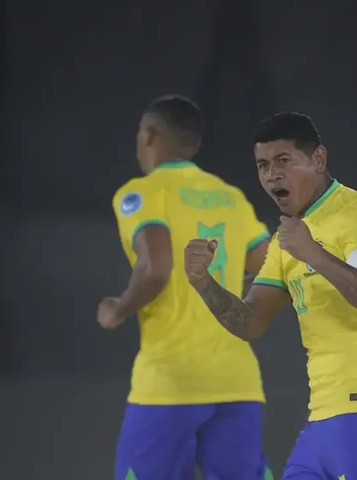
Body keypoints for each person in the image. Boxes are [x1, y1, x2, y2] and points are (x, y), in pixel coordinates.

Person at [184, 112, 357, 479]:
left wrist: (314, 254)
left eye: (283, 161)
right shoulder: (287, 238)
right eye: (263, 165)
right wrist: (203, 282)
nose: (272, 175)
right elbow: (250, 323)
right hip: (324, 415)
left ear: (318, 159)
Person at [98, 95, 273, 480]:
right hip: (237, 381)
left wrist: (119, 308)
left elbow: (155, 268)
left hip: (170, 383)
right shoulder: (231, 197)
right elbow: (272, 268)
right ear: (195, 143)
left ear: (148, 136)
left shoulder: (143, 193)